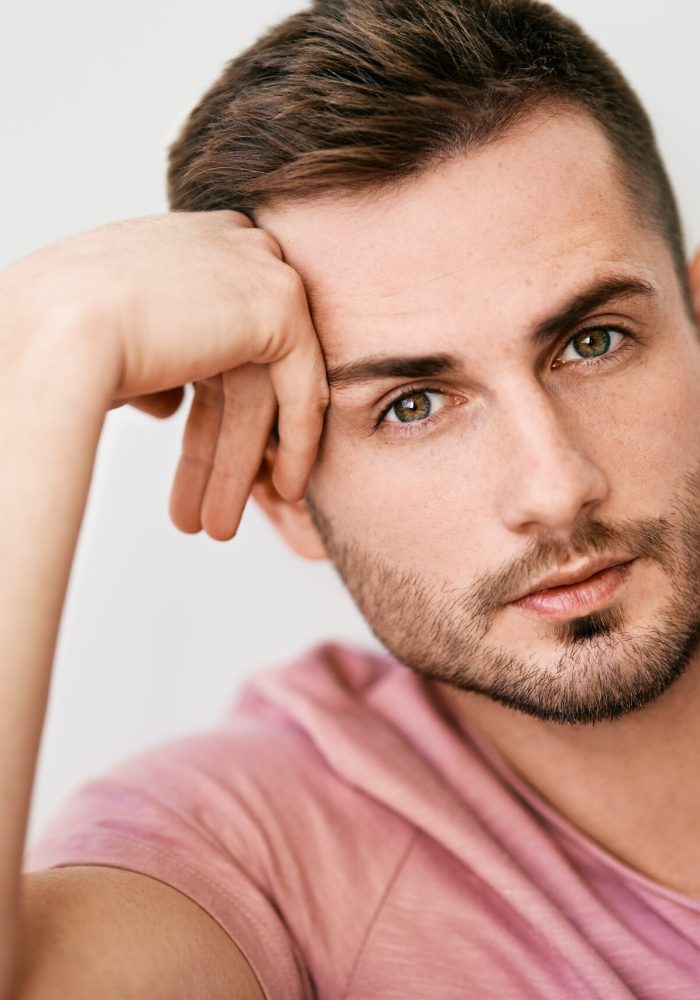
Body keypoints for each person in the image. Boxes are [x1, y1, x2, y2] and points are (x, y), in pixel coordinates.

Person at [2, 0, 700, 996]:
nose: (555, 487)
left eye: (590, 343)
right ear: (280, 492)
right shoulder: (252, 854)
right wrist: (35, 349)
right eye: (414, 403)